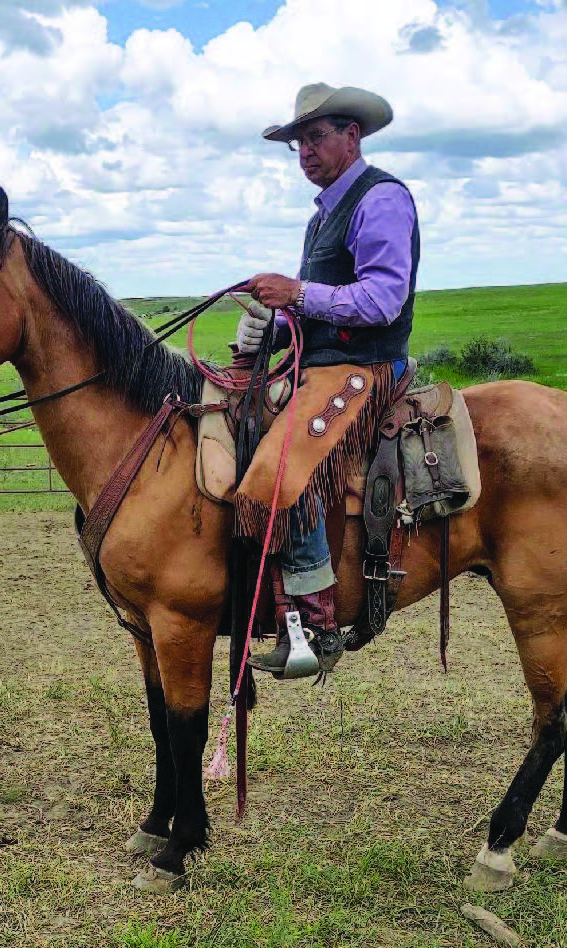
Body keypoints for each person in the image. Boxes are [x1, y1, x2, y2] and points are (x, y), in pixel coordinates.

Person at [233, 82, 420, 678]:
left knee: (281, 466)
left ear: (351, 136)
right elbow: (313, 308)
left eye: (316, 137)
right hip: (323, 365)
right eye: (298, 143)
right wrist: (273, 327)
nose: (307, 152)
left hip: (365, 368)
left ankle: (315, 625)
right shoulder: (322, 217)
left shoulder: (381, 198)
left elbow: (384, 298)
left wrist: (297, 293)